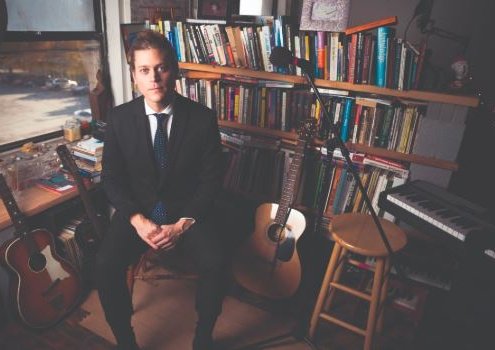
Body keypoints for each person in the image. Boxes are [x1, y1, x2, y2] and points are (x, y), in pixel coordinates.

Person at [96, 30, 227, 350]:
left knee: (217, 262)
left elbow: (211, 181)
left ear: (175, 71)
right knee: (104, 265)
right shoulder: (118, 119)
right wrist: (138, 220)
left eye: (162, 68)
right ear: (134, 76)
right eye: (144, 70)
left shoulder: (202, 118)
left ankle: (203, 335)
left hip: (187, 212)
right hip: (139, 213)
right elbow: (111, 178)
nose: (154, 78)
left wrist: (183, 224)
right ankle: (125, 340)